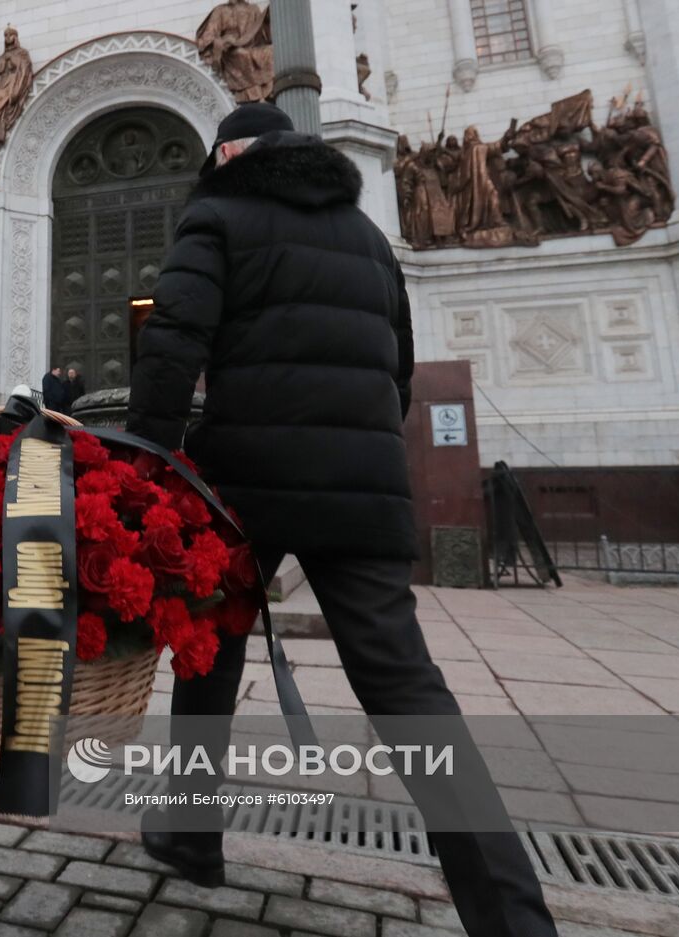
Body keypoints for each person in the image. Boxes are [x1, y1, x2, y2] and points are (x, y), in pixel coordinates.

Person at [126, 103, 558, 937]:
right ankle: (512, 916)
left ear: (230, 153)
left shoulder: (216, 216)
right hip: (363, 484)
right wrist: (361, 449)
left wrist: (149, 459)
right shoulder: (369, 237)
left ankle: (190, 831)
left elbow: (173, 342)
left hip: (245, 480)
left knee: (209, 651)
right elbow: (399, 372)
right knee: (406, 685)